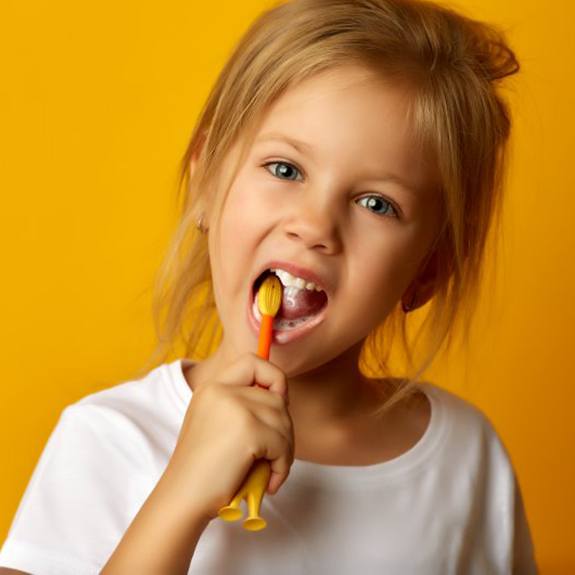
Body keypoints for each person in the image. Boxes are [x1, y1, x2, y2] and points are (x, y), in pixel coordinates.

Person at [0, 0, 538, 573]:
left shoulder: (465, 456)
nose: (312, 226)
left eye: (376, 203)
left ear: (429, 268)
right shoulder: (108, 441)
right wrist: (180, 497)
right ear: (208, 179)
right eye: (285, 169)